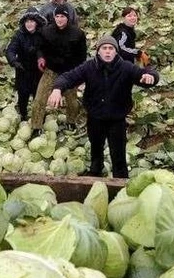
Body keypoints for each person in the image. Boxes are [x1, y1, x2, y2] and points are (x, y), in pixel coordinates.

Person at [49, 36, 159, 178]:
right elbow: (68, 77)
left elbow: (147, 75)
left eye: (111, 48)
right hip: (95, 118)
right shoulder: (89, 67)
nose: (107, 52)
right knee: (96, 149)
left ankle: (120, 180)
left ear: (116, 51)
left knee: (118, 154)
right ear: (98, 51)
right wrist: (57, 88)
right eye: (104, 48)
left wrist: (151, 77)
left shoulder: (125, 67)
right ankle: (96, 171)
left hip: (116, 119)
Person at [30, 6, 87, 133]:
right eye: (57, 16)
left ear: (67, 18)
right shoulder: (46, 31)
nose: (59, 19)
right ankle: (36, 126)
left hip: (69, 73)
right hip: (51, 71)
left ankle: (71, 122)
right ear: (54, 17)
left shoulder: (78, 33)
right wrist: (40, 58)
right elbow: (39, 48)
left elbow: (82, 56)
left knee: (72, 102)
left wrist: (80, 75)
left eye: (62, 17)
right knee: (39, 99)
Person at [5, 7, 46, 121]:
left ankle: (38, 118)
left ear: (37, 22)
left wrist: (42, 57)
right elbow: (10, 50)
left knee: (38, 96)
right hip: (23, 69)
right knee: (23, 95)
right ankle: (23, 115)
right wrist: (14, 61)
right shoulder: (19, 35)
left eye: (32, 21)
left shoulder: (43, 34)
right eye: (27, 21)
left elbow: (49, 49)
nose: (29, 24)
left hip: (39, 71)